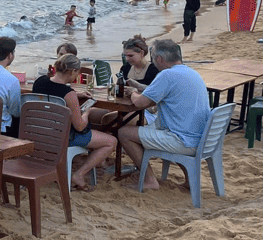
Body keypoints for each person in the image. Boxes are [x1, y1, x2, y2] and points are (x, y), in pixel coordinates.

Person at [118, 39, 210, 190]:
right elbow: (162, 94)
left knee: (124, 133)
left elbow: (140, 103)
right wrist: (140, 86)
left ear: (159, 59)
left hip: (182, 141)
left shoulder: (167, 75)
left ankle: (149, 180)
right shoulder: (191, 72)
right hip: (198, 137)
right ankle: (189, 181)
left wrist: (134, 93)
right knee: (157, 128)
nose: (153, 61)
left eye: (153, 58)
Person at [32, 54, 117, 191]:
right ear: (73, 72)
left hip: (41, 132)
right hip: (63, 137)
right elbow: (79, 126)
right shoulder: (68, 93)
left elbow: (52, 95)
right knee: (111, 141)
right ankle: (79, 174)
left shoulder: (40, 81)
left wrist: (76, 96)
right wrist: (87, 113)